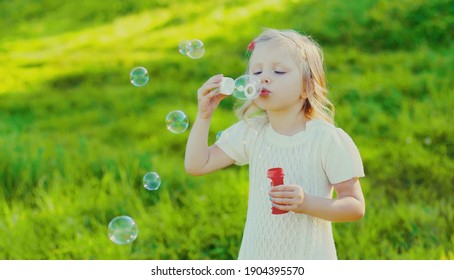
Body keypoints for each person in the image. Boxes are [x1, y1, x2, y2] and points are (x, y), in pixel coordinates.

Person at [184, 28, 365, 260]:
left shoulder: (326, 139)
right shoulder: (252, 132)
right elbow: (197, 165)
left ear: (307, 87)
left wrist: (306, 203)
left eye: (279, 71)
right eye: (256, 71)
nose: (264, 77)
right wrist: (204, 116)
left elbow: (354, 206)